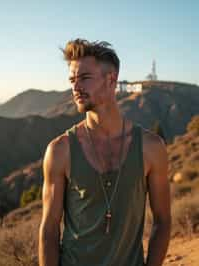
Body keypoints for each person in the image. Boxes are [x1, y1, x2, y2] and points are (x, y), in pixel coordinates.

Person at [39, 39, 171, 266]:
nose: (75, 87)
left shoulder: (151, 148)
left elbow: (163, 220)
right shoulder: (60, 150)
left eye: (85, 78)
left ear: (111, 79)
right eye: (72, 80)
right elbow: (49, 230)